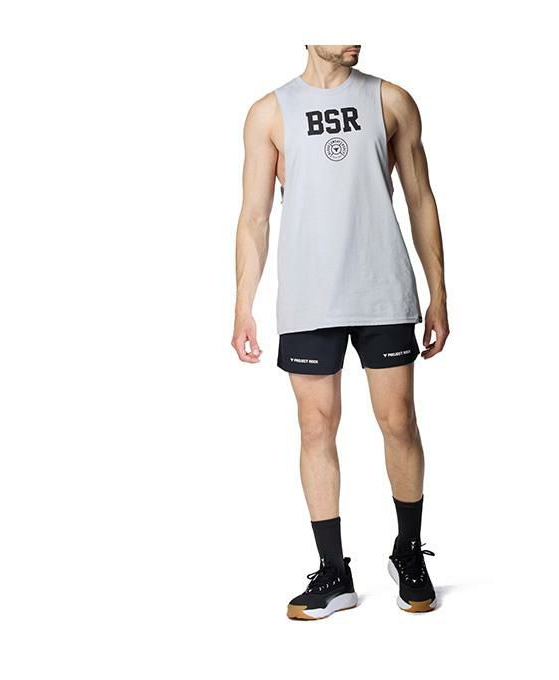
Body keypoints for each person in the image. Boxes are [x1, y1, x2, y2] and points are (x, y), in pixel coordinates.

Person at [232, 45, 449, 619]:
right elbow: (254, 216)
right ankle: (334, 572)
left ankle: (408, 552)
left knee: (398, 420)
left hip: (382, 289)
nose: (355, 37)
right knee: (315, 427)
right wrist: (243, 305)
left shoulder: (390, 100)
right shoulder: (270, 111)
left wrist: (439, 292)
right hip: (309, 296)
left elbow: (421, 198)